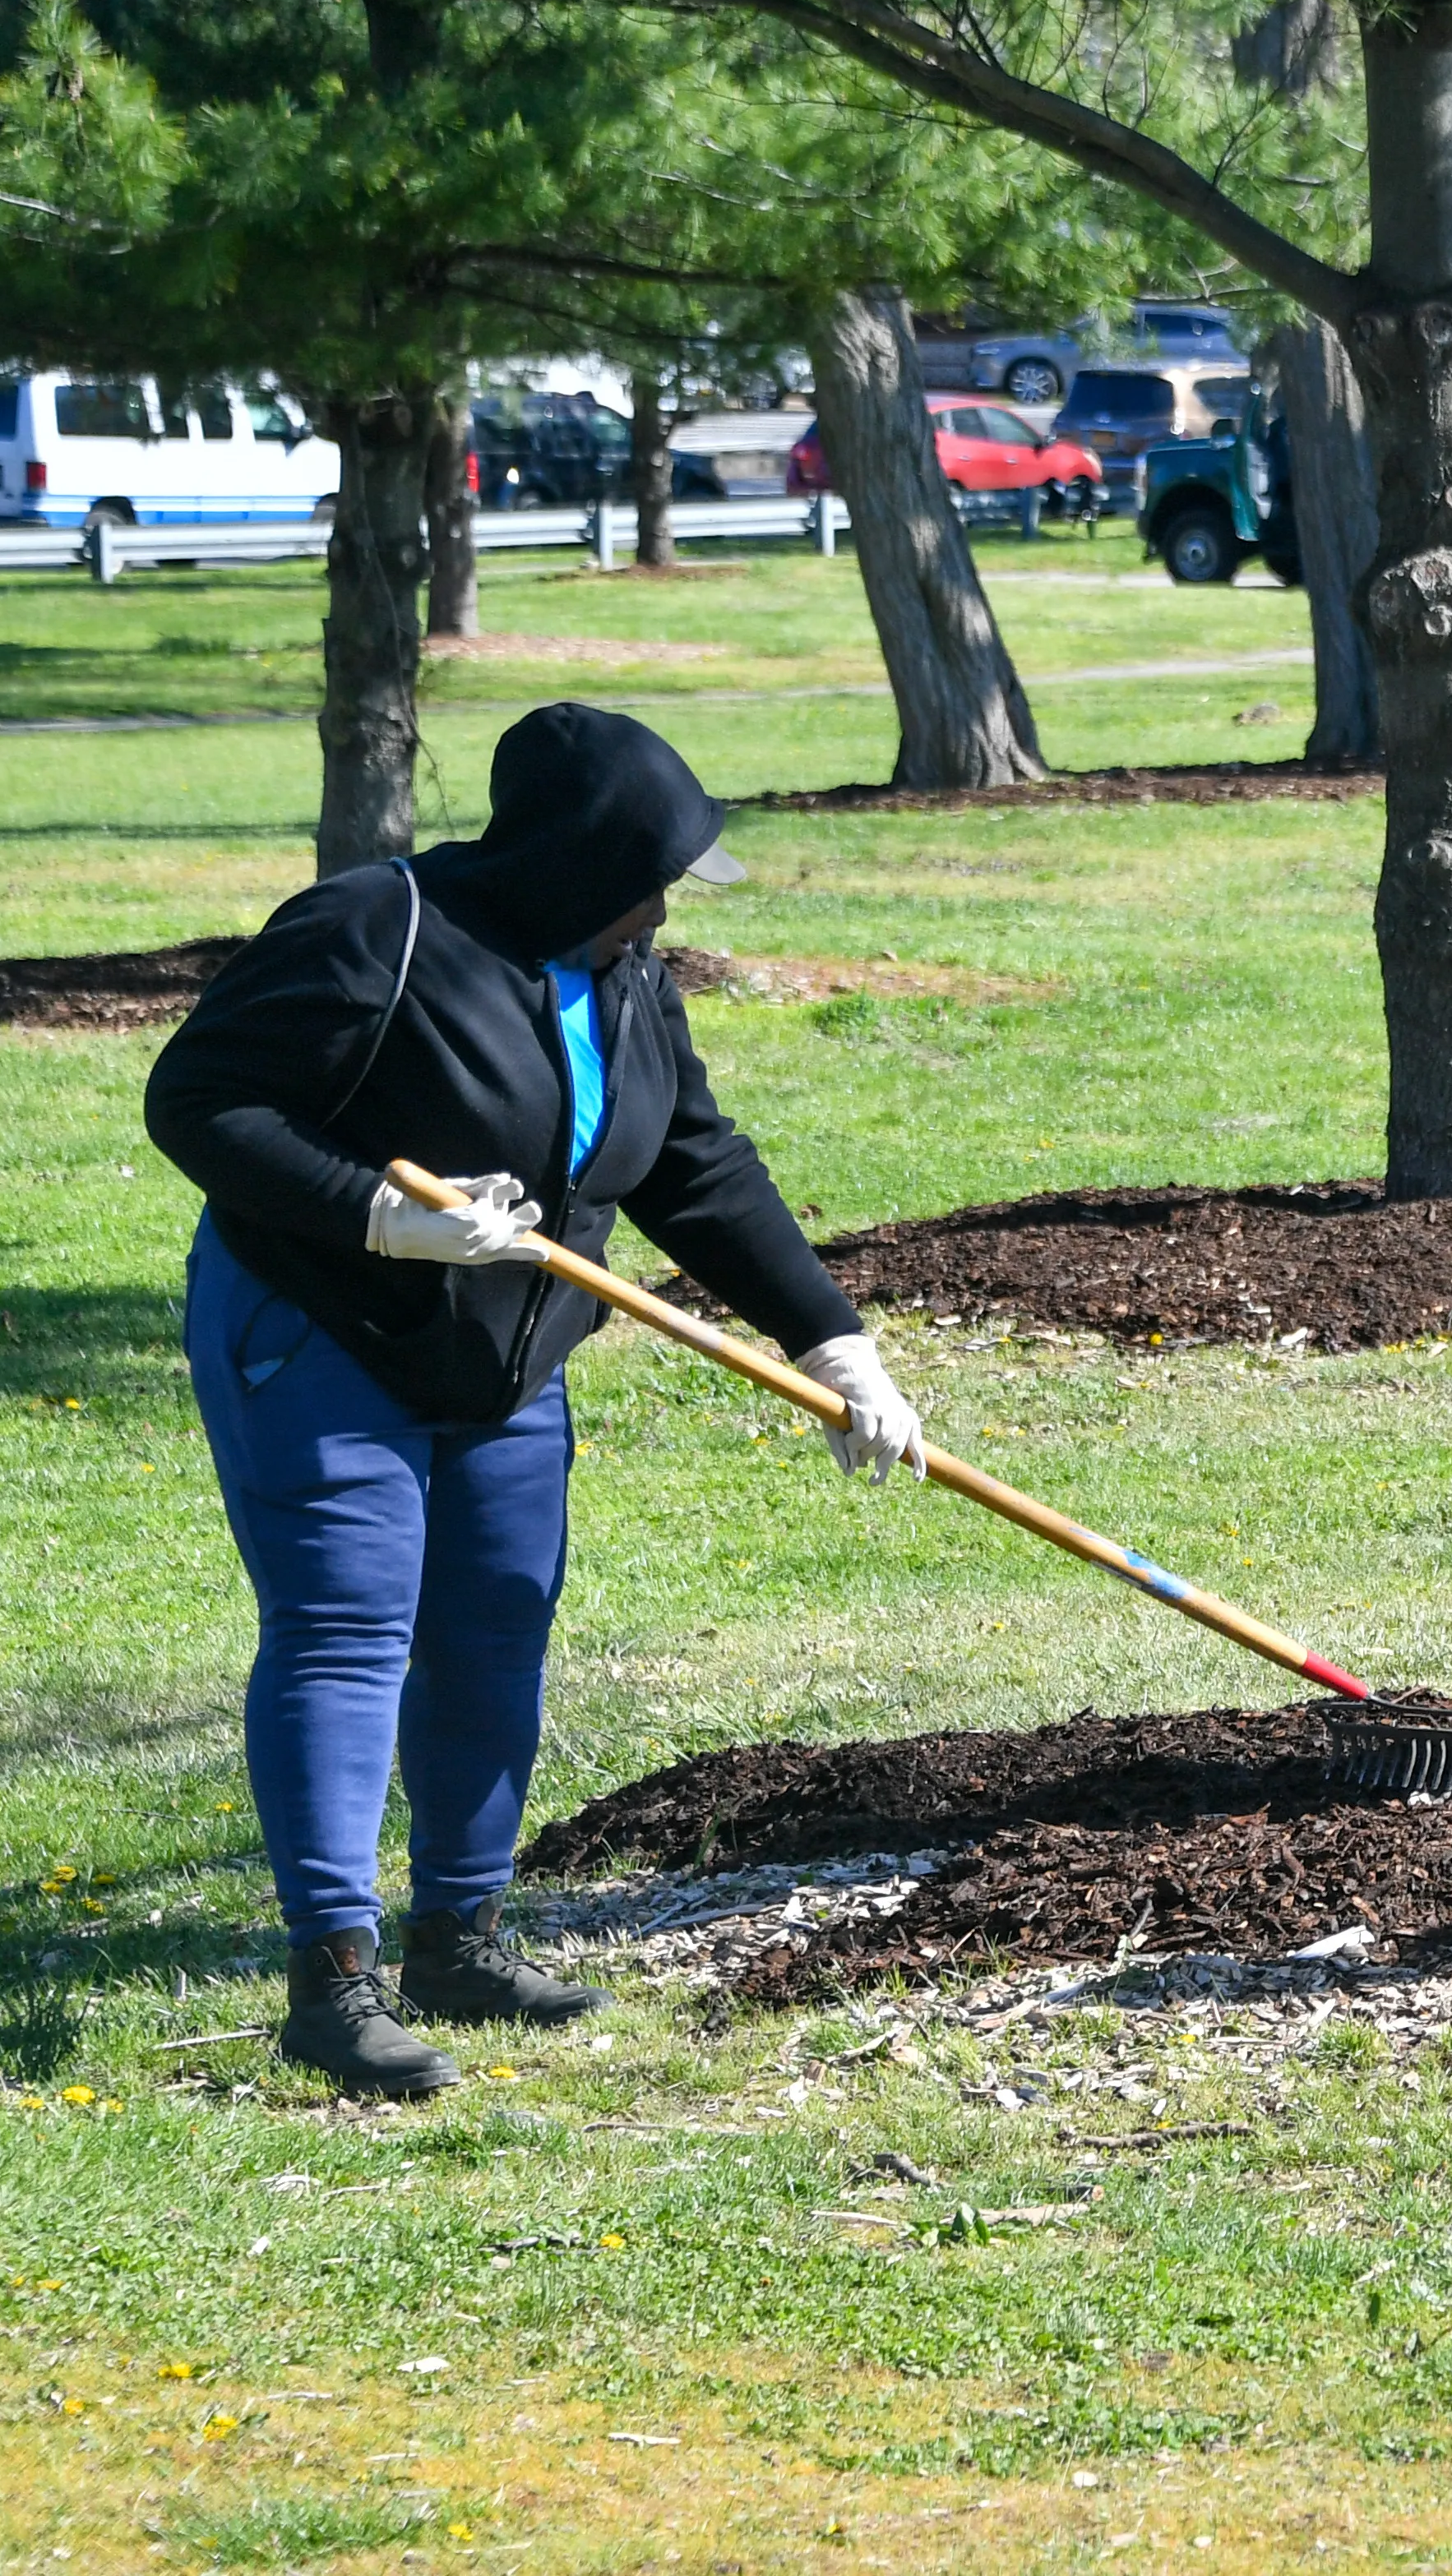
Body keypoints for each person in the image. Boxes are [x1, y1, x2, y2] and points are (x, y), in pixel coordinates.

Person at [146, 704, 925, 2095]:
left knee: (498, 1618)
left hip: (508, 1353)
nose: (665, 905)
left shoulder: (622, 972)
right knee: (346, 1627)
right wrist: (377, 1216)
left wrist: (833, 1343)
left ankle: (462, 1936)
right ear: (574, 862)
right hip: (321, 1322)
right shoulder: (369, 930)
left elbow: (689, 1160)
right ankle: (335, 1983)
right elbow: (199, 1102)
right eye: (649, 876)